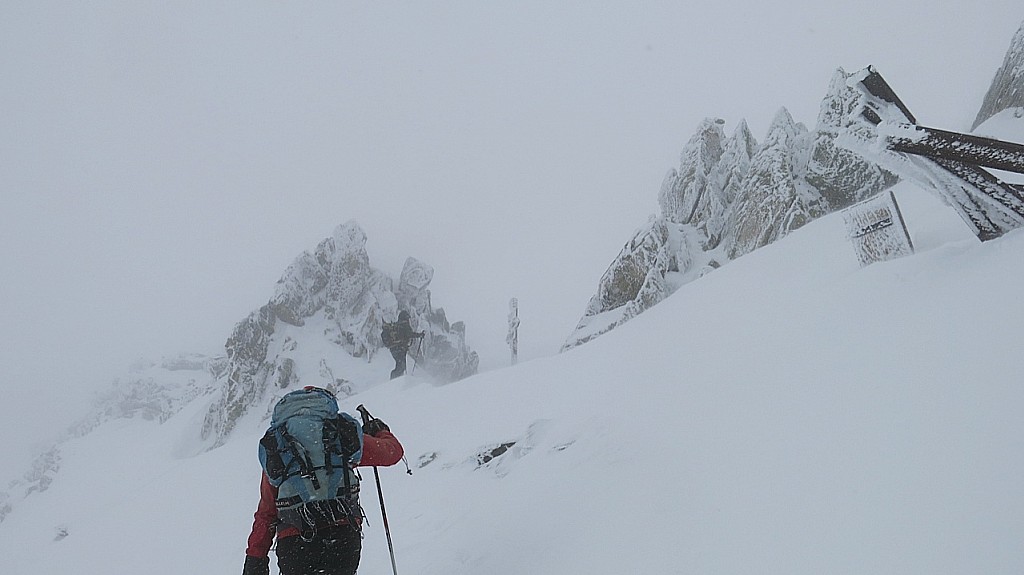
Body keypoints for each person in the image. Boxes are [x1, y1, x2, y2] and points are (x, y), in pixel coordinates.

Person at [242, 400, 404, 575]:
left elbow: (267, 513)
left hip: (295, 546)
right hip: (343, 539)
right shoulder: (341, 434)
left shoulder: (278, 446)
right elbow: (392, 453)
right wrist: (381, 431)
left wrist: (255, 557)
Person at [384, 310, 425, 379]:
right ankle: (394, 381)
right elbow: (410, 334)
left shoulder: (396, 325)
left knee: (400, 365)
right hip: (400, 348)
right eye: (408, 318)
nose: (409, 320)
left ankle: (396, 379)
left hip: (394, 349)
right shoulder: (404, 325)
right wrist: (420, 335)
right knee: (401, 367)